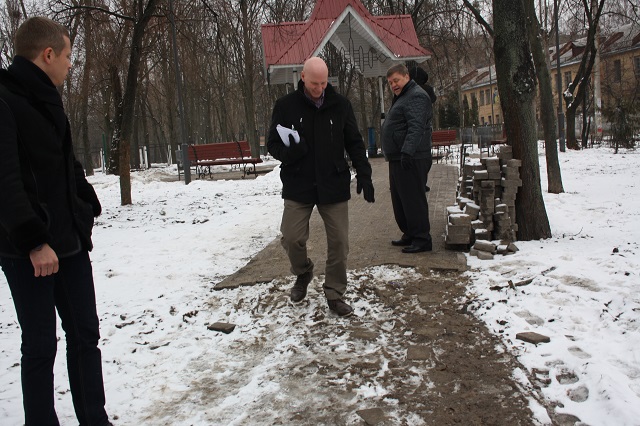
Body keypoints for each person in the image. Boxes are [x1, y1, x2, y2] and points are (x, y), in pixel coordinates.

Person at [0, 17, 111, 426]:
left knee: (86, 336)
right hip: (27, 250)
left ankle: (94, 418)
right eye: (67, 56)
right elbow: (6, 183)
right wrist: (34, 241)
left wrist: (85, 201)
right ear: (47, 55)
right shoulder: (6, 100)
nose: (70, 65)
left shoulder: (47, 97)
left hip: (69, 242)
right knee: (41, 344)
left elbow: (63, 162)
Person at [267, 57, 375, 318]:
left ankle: (335, 293)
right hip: (298, 182)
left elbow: (355, 142)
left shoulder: (340, 105)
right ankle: (303, 272)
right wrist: (292, 152)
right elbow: (273, 144)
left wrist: (365, 174)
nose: (319, 88)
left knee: (339, 242)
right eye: (314, 83)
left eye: (324, 83)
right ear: (303, 77)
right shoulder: (285, 106)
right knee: (292, 238)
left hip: (332, 182)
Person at [381, 64, 433, 253]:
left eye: (396, 80)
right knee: (401, 200)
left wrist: (407, 152)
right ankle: (410, 233)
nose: (393, 85)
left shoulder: (416, 96)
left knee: (413, 199)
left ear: (406, 76)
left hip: (412, 157)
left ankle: (422, 239)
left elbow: (416, 127)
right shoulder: (403, 96)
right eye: (390, 82)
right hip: (399, 157)